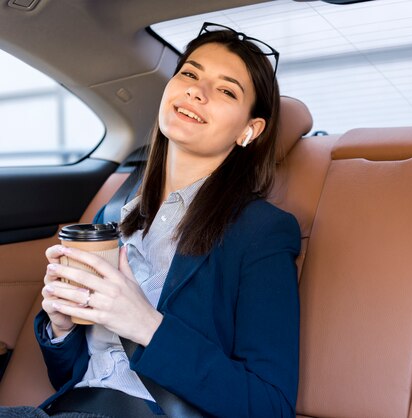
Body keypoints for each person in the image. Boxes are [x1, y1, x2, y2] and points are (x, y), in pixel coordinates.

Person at [0, 23, 300, 418]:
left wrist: (146, 326)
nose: (197, 90)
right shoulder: (116, 212)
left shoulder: (261, 230)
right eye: (190, 73)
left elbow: (270, 407)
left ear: (250, 130)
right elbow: (79, 377)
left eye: (226, 90)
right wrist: (61, 328)